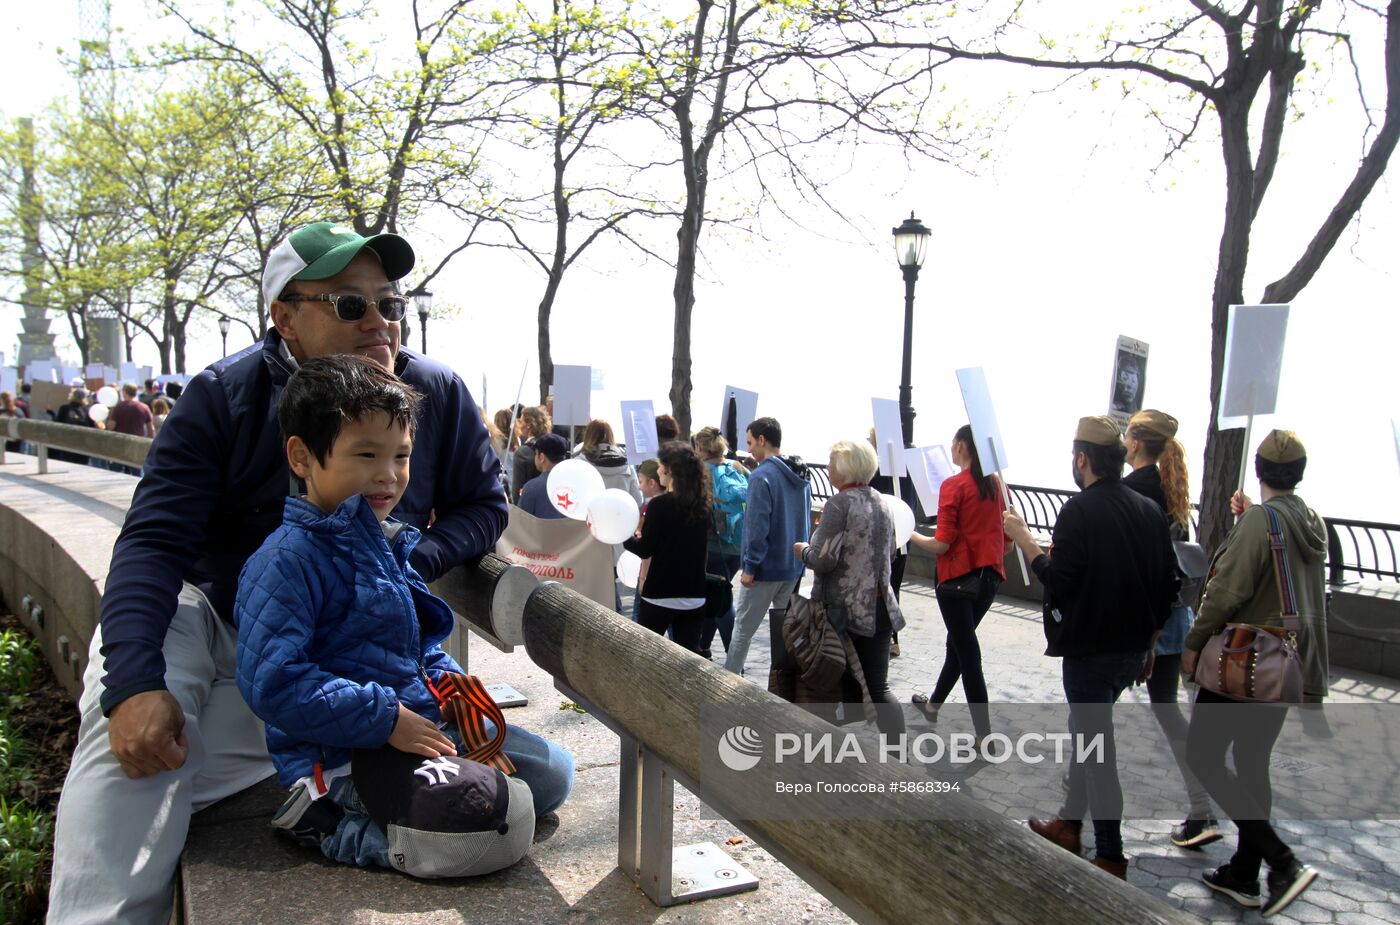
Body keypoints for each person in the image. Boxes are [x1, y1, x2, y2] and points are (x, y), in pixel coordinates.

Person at [48, 220, 572, 925]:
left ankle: (295, 773)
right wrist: (134, 681)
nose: (380, 322)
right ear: (284, 316)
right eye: (349, 304)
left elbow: (482, 503)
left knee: (536, 774)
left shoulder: (433, 393)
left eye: (390, 303)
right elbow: (151, 544)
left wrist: (409, 562)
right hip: (223, 617)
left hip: (349, 646)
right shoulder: (220, 396)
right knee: (135, 725)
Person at [235, 356, 550, 874]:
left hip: (415, 722)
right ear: (301, 457)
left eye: (401, 456)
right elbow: (273, 683)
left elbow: (413, 644)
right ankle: (330, 824)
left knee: (549, 775)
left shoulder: (384, 541)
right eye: (365, 454)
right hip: (343, 757)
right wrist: (383, 719)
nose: (388, 476)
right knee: (496, 831)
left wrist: (449, 684)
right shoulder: (284, 561)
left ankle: (418, 811)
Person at [1002, 415, 1177, 881]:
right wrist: (1151, 646)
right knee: (1088, 736)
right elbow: (1167, 588)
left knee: (1098, 750)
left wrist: (1025, 541)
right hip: (1130, 652)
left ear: (1082, 458)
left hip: (1092, 654)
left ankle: (1111, 857)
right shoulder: (1148, 510)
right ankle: (1067, 824)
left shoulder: (1080, 511)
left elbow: (1060, 582)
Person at [1181, 430, 1325, 917]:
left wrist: (1194, 642)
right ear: (1299, 473)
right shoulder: (1309, 521)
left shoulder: (1262, 521)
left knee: (1202, 756)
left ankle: (1281, 861)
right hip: (1285, 662)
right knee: (1252, 762)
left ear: (1259, 470)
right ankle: (1243, 874)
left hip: (1243, 660)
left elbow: (1226, 592)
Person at [1121, 409, 1219, 848]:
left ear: (1136, 443)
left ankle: (1075, 806)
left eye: (1127, 435)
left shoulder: (1129, 492)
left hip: (1144, 623)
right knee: (1167, 711)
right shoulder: (1172, 491)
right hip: (1177, 618)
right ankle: (1200, 808)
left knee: (1093, 704)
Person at [792, 439, 905, 739]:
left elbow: (823, 560)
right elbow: (890, 552)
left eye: (831, 462)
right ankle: (900, 756)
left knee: (826, 682)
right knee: (878, 687)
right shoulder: (882, 501)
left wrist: (803, 550)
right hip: (880, 607)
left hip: (843, 612)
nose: (828, 467)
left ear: (843, 468)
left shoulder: (839, 504)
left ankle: (824, 753)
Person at [907, 424, 1008, 739]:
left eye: (953, 443)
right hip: (988, 579)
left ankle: (984, 734)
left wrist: (910, 533)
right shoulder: (996, 486)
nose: (951, 448)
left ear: (962, 446)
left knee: (967, 652)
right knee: (959, 645)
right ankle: (934, 706)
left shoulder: (954, 485)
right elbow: (1009, 541)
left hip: (955, 582)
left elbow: (942, 544)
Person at [725, 417, 812, 676]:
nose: (748, 449)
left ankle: (727, 684)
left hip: (765, 568)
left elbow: (756, 526)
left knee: (743, 629)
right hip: (793, 566)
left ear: (762, 440)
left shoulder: (762, 476)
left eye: (750, 442)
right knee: (784, 630)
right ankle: (782, 684)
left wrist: (750, 566)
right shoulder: (800, 473)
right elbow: (805, 519)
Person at [623, 442, 711, 651]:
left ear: (671, 470)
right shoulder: (703, 503)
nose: (659, 470)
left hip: (660, 595)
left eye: (662, 465)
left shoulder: (659, 505)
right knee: (687, 662)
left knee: (646, 657)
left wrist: (626, 537)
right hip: (694, 595)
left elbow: (646, 549)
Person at [695, 426, 747, 660]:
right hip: (737, 545)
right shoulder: (738, 468)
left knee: (720, 600)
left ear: (699, 447)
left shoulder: (699, 472)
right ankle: (703, 647)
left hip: (710, 545)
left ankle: (735, 658)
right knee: (715, 593)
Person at [517, 433, 571, 519]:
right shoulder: (574, 483)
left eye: (536, 453)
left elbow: (520, 523)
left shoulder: (531, 487)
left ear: (541, 457)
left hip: (540, 532)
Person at [511, 406, 552, 501]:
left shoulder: (522, 453)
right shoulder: (552, 447)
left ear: (529, 425)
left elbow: (517, 493)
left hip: (529, 508)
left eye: (521, 421)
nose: (519, 425)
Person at [52, 388, 99, 466]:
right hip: (83, 444)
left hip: (67, 443)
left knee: (68, 464)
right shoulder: (87, 410)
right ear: (83, 398)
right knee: (82, 465)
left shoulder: (64, 408)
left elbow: (58, 423)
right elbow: (92, 426)